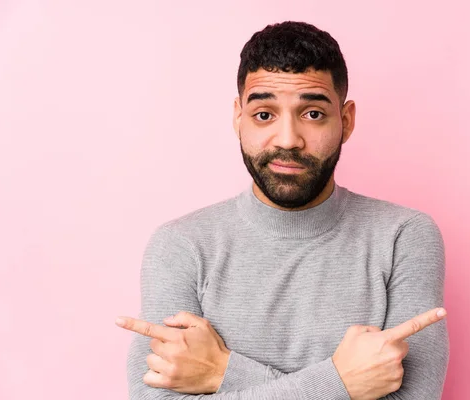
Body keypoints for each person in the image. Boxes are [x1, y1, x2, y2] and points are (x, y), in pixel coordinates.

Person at [116, 21, 449, 399]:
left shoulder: (404, 236)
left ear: (347, 120)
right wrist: (342, 383)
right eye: (264, 115)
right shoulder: (181, 245)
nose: (288, 140)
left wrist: (222, 373)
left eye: (312, 114)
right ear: (238, 118)